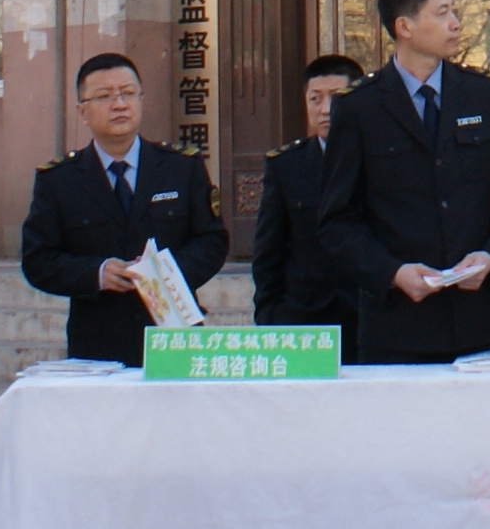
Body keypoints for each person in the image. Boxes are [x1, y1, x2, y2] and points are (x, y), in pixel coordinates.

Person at [319, 0, 490, 364]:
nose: (455, 23)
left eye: (453, 11)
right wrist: (391, 272)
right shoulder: (359, 107)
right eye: (441, 13)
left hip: (477, 319)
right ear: (404, 27)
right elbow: (337, 220)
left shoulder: (484, 94)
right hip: (395, 325)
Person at [19, 53, 230, 366]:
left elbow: (212, 241)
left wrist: (164, 273)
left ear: (141, 100)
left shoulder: (181, 167)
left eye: (128, 93)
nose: (119, 104)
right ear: (82, 111)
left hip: (174, 334)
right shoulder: (59, 180)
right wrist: (97, 273)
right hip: (98, 346)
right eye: (104, 96)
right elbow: (38, 260)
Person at [251, 53, 365, 358]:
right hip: (304, 321)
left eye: (336, 97)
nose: (325, 109)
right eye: (315, 98)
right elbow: (268, 253)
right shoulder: (286, 165)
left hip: (369, 317)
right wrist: (270, 317)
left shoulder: (382, 160)